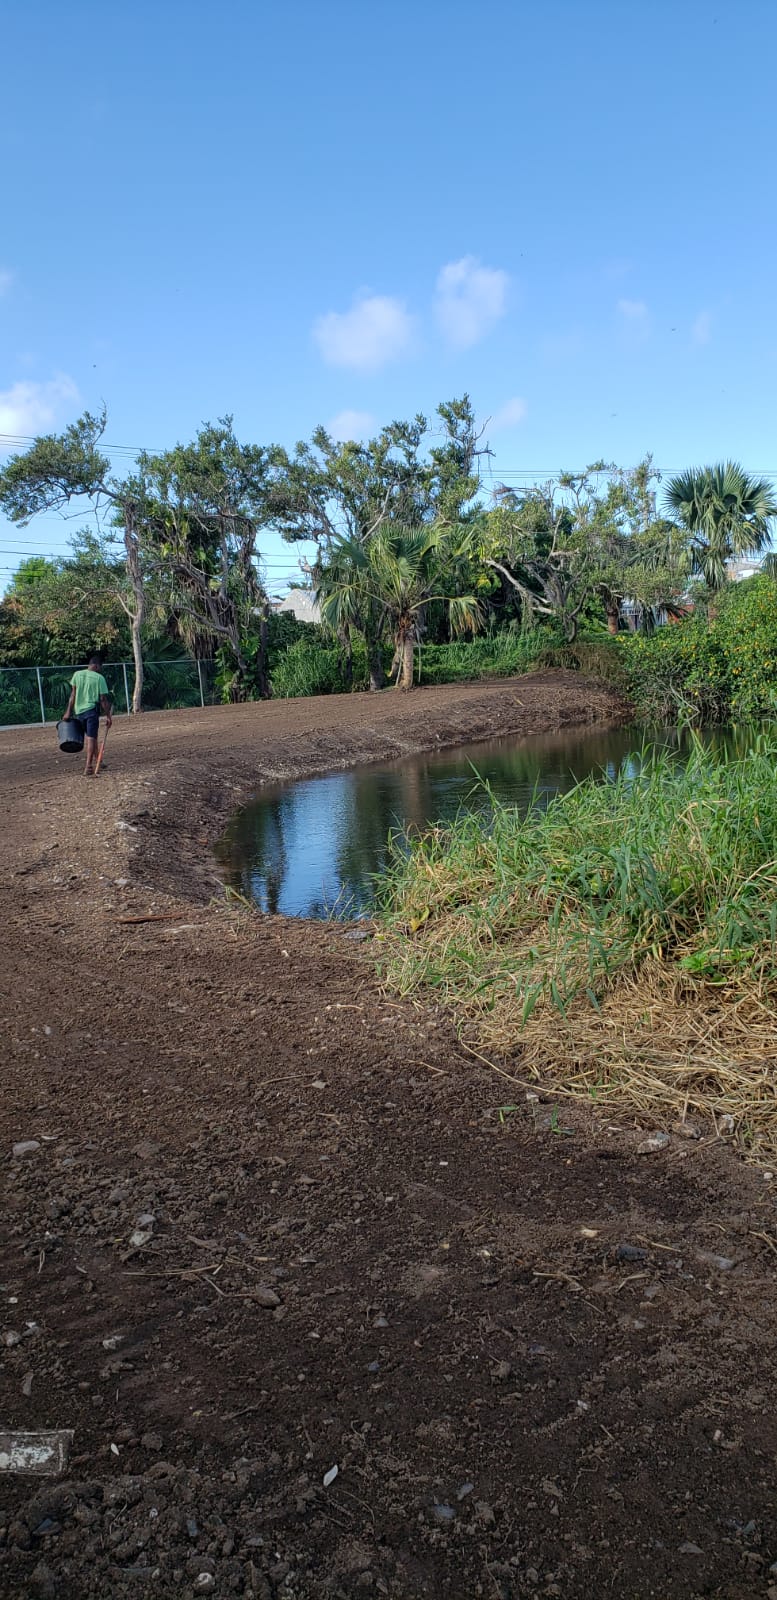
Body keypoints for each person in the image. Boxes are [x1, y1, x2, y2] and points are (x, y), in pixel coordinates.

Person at [64, 652, 113, 776]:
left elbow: (73, 695)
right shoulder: (99, 678)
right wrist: (108, 716)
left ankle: (99, 761)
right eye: (100, 668)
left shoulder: (77, 675)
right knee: (91, 739)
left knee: (93, 738)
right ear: (96, 666)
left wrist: (68, 712)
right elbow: (103, 699)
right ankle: (88, 766)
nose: (100, 670)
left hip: (79, 712)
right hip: (91, 712)